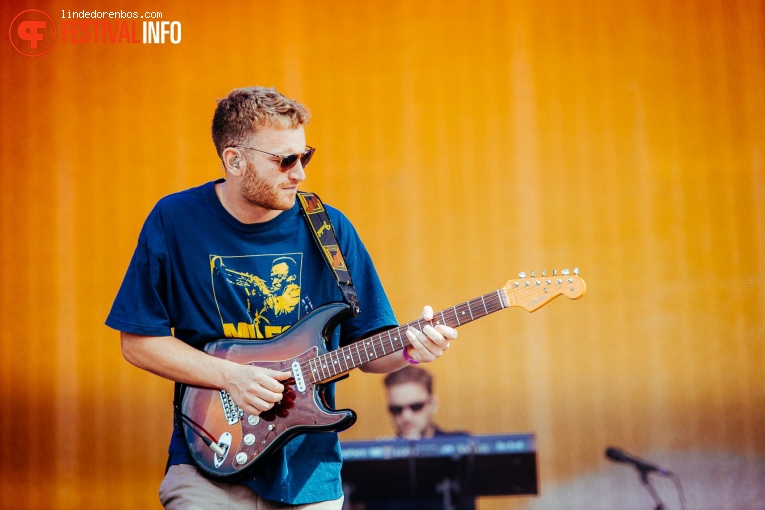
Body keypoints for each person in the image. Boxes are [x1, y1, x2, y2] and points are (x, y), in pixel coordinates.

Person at [105, 86, 458, 510]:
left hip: (308, 475)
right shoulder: (175, 220)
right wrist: (229, 377)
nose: (300, 173)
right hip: (209, 461)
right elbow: (138, 342)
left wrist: (413, 350)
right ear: (234, 160)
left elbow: (370, 348)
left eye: (304, 155)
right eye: (285, 160)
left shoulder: (330, 229)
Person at [384, 365, 465, 440]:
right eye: (396, 409)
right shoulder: (383, 452)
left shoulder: (463, 443)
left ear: (433, 404)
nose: (406, 417)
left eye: (416, 406)